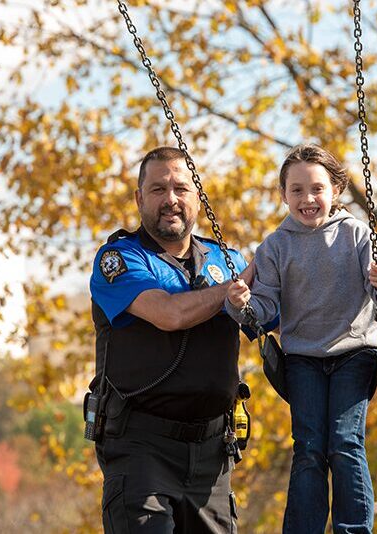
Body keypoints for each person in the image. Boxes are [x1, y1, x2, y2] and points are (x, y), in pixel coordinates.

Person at [225, 144, 377, 534]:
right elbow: (264, 309)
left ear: (335, 190)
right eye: (297, 190)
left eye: (317, 189)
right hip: (303, 358)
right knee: (308, 447)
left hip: (354, 351)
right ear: (283, 194)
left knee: (344, 442)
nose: (307, 199)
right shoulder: (275, 246)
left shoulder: (358, 235)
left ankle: (352, 529)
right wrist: (241, 303)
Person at [89, 146, 254, 533]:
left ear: (197, 196)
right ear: (139, 198)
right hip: (141, 450)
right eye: (158, 189)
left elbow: (279, 321)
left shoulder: (227, 260)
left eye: (181, 188)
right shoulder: (120, 258)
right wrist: (233, 289)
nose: (171, 199)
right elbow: (170, 315)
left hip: (213, 453)